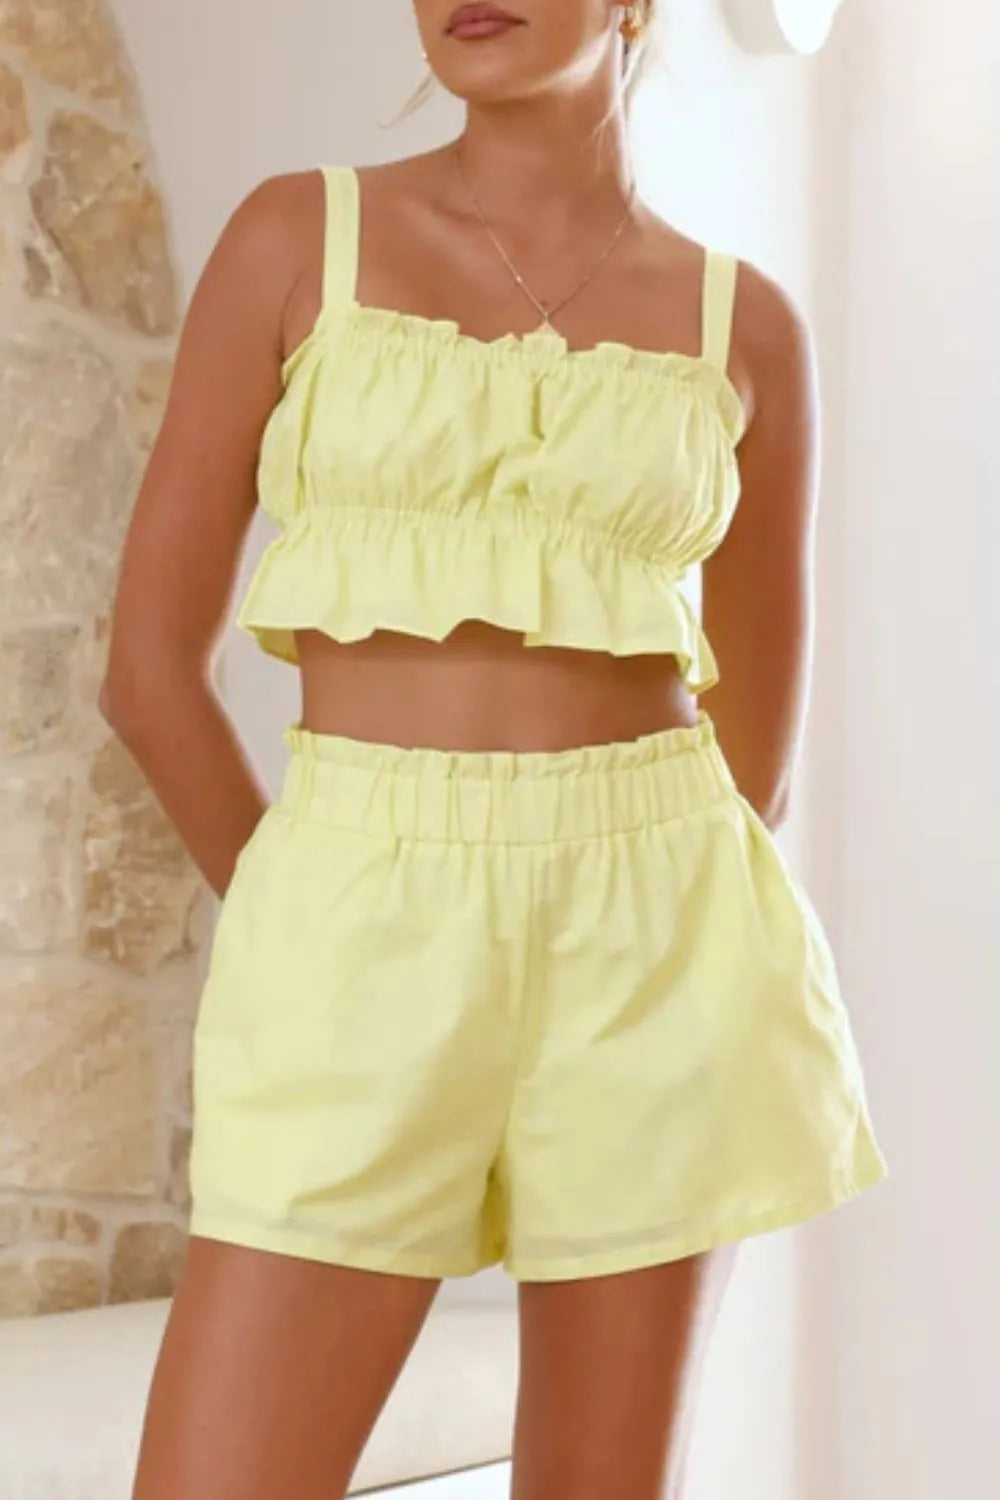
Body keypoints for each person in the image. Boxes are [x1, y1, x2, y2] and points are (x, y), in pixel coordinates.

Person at [102, 2, 887, 1496]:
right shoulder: (298, 242)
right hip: (355, 909)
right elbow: (149, 675)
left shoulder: (748, 331)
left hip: (653, 930)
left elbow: (756, 767)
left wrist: (624, 880)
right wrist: (305, 910)